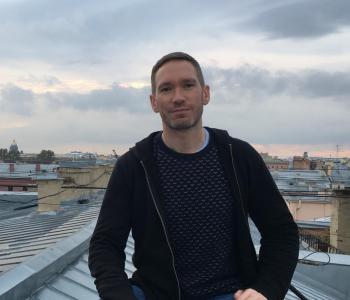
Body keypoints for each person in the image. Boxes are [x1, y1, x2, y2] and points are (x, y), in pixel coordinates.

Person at [88, 52, 299, 300]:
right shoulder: (134, 166)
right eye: (166, 89)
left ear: (205, 93)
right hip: (155, 294)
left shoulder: (238, 156)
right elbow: (105, 245)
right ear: (154, 102)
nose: (178, 97)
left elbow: (281, 233)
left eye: (188, 85)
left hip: (230, 293)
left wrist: (265, 290)